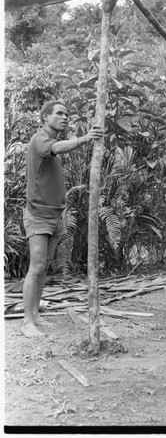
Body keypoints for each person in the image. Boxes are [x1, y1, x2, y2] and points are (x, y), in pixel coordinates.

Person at [22, 100, 104, 338]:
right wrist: (85, 138)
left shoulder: (50, 142)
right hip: (39, 215)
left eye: (67, 113)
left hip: (54, 215)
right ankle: (27, 321)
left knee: (44, 265)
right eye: (59, 113)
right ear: (45, 117)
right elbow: (56, 148)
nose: (65, 117)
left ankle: (36, 315)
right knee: (36, 267)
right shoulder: (41, 140)